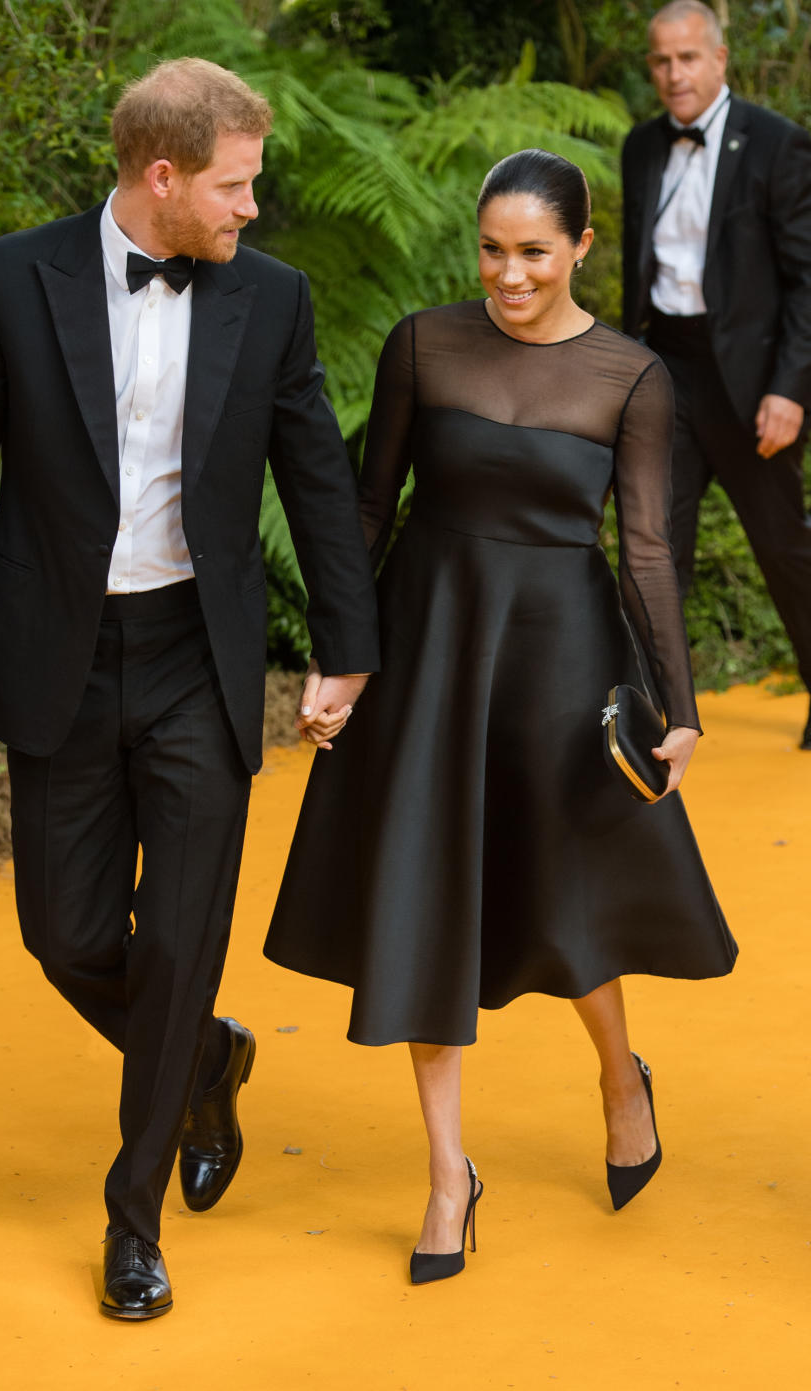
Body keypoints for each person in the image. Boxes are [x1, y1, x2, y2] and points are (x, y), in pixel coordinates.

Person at [0, 58, 378, 1319]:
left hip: (197, 658)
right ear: (161, 177)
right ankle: (206, 1058)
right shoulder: (11, 276)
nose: (253, 210)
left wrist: (348, 639)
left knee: (177, 943)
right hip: (53, 650)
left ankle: (133, 1217)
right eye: (235, 186)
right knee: (63, 932)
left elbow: (317, 473)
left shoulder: (270, 300)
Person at [265, 149, 737, 1285]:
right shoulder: (424, 343)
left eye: (533, 251)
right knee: (424, 900)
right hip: (430, 645)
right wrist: (341, 658)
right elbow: (370, 505)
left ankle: (622, 1076)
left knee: (562, 897)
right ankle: (446, 1175)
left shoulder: (633, 377)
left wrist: (677, 706)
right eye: (491, 249)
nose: (508, 273)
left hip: (562, 661)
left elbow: (646, 547)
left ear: (581, 246)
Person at [622, 0, 811, 749]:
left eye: (688, 58)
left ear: (720, 58)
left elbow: (807, 280)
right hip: (665, 368)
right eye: (662, 62)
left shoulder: (778, 144)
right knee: (653, 541)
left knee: (783, 547)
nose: (675, 74)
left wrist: (791, 389)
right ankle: (651, 708)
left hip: (752, 382)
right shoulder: (641, 147)